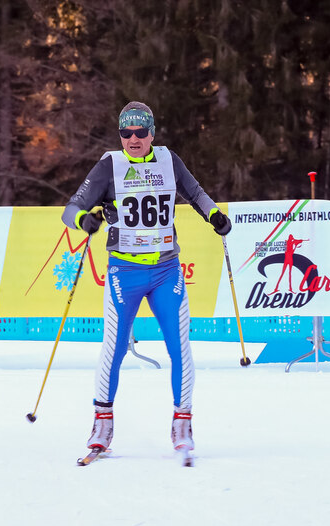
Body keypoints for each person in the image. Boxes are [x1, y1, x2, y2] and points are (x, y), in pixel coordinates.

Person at [61, 101, 232, 454]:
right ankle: (102, 424)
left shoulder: (169, 160)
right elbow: (71, 209)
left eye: (140, 132)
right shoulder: (109, 165)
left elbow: (196, 193)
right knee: (114, 347)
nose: (133, 139)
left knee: (179, 346)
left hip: (166, 270)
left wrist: (214, 215)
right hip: (125, 271)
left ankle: (182, 424)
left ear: (152, 133)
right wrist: (84, 221)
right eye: (126, 133)